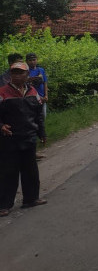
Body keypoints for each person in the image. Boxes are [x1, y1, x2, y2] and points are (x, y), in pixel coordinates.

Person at [0, 61, 47, 217]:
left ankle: (31, 199)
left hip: (29, 137)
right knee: (8, 172)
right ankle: (4, 205)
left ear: (27, 75)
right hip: (9, 139)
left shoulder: (33, 92)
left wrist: (42, 133)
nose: (17, 75)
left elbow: (39, 115)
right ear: (10, 75)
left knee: (30, 171)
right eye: (14, 73)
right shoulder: (3, 92)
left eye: (20, 73)